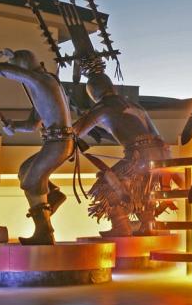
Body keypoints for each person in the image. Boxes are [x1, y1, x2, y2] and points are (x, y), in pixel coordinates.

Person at [0, 48, 74, 245]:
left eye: (18, 70)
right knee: (24, 171)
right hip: (55, 142)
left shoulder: (41, 80)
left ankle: (44, 232)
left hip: (58, 143)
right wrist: (13, 126)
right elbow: (33, 125)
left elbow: (2, 69)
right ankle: (53, 195)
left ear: (23, 66)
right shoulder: (43, 86)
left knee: (31, 182)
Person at [73, 70, 177, 236]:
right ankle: (148, 224)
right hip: (161, 153)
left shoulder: (103, 107)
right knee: (143, 188)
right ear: (111, 87)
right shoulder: (134, 105)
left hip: (139, 155)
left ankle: (121, 226)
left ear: (93, 94)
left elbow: (75, 132)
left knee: (106, 184)